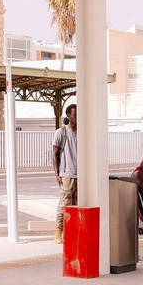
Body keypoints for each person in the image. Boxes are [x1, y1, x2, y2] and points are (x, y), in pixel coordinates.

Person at [51, 104, 79, 242]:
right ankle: (58, 231)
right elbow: (55, 155)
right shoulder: (61, 133)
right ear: (68, 115)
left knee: (78, 204)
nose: (77, 117)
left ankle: (73, 231)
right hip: (67, 174)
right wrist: (57, 174)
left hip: (81, 175)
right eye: (74, 115)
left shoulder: (83, 132)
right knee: (64, 203)